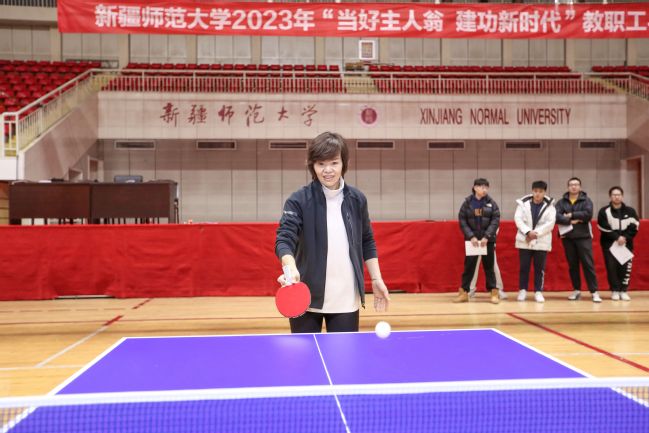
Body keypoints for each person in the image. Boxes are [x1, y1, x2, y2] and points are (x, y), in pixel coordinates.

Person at [275, 132, 390, 333]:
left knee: (344, 354)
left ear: (344, 164)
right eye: (321, 164)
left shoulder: (357, 199)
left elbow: (367, 240)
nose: (328, 170)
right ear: (312, 165)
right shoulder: (298, 200)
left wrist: (376, 279)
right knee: (306, 353)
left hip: (346, 299)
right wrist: (290, 268)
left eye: (334, 163)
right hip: (307, 298)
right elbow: (284, 239)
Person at [454, 178, 501, 304]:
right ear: (475, 188)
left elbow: (495, 220)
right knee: (469, 267)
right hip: (472, 242)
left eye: (486, 187)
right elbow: (462, 220)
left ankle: (493, 293)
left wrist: (487, 236)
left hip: (487, 241)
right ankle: (464, 293)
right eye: (481, 187)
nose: (484, 190)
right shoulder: (467, 203)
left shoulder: (492, 203)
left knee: (489, 267)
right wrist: (471, 236)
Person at [555, 177, 601, 302]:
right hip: (568, 237)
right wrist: (571, 221)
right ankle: (576, 290)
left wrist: (571, 215)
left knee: (588, 264)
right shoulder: (561, 202)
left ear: (580, 187)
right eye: (571, 184)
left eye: (576, 184)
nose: (574, 186)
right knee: (573, 265)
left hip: (583, 237)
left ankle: (594, 292)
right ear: (568, 187)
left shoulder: (586, 200)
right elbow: (556, 216)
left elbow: (588, 215)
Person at [514, 181, 556, 303]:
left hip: (541, 240)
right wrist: (528, 232)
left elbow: (550, 223)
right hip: (525, 240)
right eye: (535, 191)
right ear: (532, 191)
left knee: (539, 268)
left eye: (540, 191)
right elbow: (518, 219)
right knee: (524, 267)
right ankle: (522, 290)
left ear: (544, 192)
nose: (537, 194)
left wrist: (535, 234)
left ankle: (538, 291)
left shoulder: (550, 206)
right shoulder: (523, 203)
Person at [597, 186, 640, 301]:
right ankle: (615, 290)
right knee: (611, 268)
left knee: (625, 268)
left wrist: (625, 237)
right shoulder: (604, 211)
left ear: (622, 196)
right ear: (610, 197)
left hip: (626, 244)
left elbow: (635, 226)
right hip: (609, 245)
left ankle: (623, 290)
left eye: (619, 195)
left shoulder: (630, 211)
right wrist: (616, 237)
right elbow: (602, 227)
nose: (616, 197)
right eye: (614, 195)